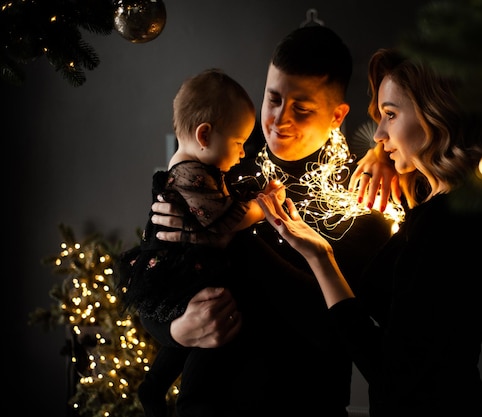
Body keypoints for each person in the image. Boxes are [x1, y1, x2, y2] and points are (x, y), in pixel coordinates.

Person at [144, 26, 397, 416]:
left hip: (306, 405)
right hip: (207, 402)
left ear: (337, 115)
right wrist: (177, 330)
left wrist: (232, 238)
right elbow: (152, 281)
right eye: (273, 99)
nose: (279, 119)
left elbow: (339, 329)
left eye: (302, 108)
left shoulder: (360, 198)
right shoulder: (220, 159)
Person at [256, 48, 482, 416]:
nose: (377, 133)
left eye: (390, 115)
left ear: (436, 114)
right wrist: (388, 154)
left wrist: (320, 257)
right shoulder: (456, 206)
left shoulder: (451, 225)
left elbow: (391, 371)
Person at [116, 68, 284, 417]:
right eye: (238, 144)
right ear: (204, 135)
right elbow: (225, 218)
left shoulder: (199, 170)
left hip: (185, 274)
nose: (241, 155)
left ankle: (154, 386)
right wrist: (261, 207)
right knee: (207, 341)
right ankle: (174, 394)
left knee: (194, 339)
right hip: (183, 274)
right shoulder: (188, 174)